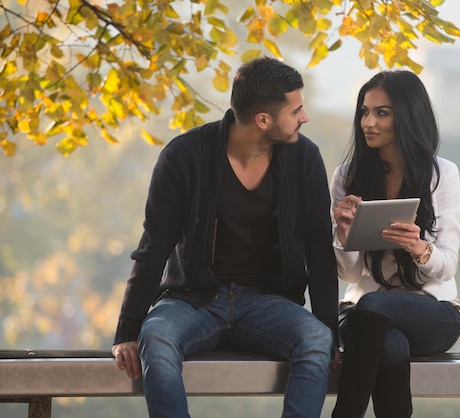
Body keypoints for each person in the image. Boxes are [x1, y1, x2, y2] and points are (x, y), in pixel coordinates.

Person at [112, 57, 340, 418]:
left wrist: (331, 335)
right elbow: (153, 248)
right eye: (296, 109)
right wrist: (126, 330)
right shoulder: (183, 156)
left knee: (317, 340)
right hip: (192, 300)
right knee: (155, 338)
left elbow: (319, 251)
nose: (304, 117)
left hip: (269, 302)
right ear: (263, 120)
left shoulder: (305, 158)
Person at [330, 70, 460, 418]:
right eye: (364, 111)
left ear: (407, 115)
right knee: (390, 345)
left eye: (381, 112)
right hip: (364, 317)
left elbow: (448, 264)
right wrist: (344, 235)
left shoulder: (442, 175)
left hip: (432, 314)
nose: (368, 122)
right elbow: (350, 274)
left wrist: (420, 249)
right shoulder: (347, 176)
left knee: (375, 306)